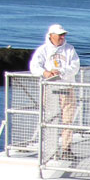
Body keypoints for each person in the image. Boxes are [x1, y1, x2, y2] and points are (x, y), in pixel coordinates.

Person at [29, 24, 80, 159]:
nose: (62, 37)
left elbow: (75, 66)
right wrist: (46, 73)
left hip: (67, 87)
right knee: (50, 117)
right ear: (51, 35)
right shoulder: (43, 50)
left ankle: (66, 148)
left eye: (64, 35)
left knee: (68, 119)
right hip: (50, 88)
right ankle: (50, 148)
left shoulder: (70, 49)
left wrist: (61, 71)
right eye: (59, 35)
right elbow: (34, 67)